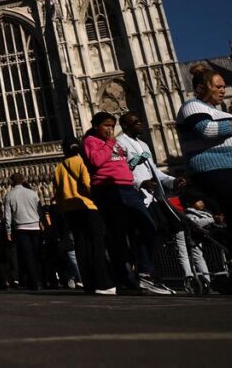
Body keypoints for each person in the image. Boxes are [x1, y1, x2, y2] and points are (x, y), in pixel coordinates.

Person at [176, 63, 232, 298]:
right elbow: (207, 131)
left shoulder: (225, 112)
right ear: (201, 88)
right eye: (218, 86)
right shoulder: (191, 106)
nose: (223, 90)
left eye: (225, 86)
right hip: (214, 169)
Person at [83, 112, 171, 295]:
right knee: (118, 236)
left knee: (148, 226)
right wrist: (109, 143)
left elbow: (122, 164)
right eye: (106, 125)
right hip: (108, 190)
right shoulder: (91, 141)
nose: (110, 130)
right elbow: (96, 160)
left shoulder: (117, 143)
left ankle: (144, 272)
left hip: (128, 189)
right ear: (96, 126)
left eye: (112, 126)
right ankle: (124, 279)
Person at [115, 112, 193, 288]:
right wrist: (139, 182)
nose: (140, 123)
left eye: (140, 120)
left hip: (153, 197)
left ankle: (148, 272)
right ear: (125, 126)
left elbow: (155, 172)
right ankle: (144, 272)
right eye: (135, 121)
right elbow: (121, 171)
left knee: (162, 232)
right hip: (137, 196)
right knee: (147, 232)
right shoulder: (120, 143)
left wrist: (172, 181)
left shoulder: (143, 144)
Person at [53, 135, 115, 295]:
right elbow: (88, 185)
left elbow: (57, 194)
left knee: (81, 247)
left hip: (69, 211)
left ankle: (88, 283)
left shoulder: (59, 167)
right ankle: (102, 283)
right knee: (96, 245)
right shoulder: (81, 162)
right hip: (87, 207)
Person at [3, 174, 42, 290]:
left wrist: (8, 231)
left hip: (21, 228)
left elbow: (7, 216)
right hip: (35, 226)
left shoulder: (9, 195)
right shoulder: (33, 193)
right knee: (36, 254)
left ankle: (33, 282)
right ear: (23, 180)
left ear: (11, 182)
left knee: (27, 255)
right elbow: (38, 209)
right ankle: (39, 279)